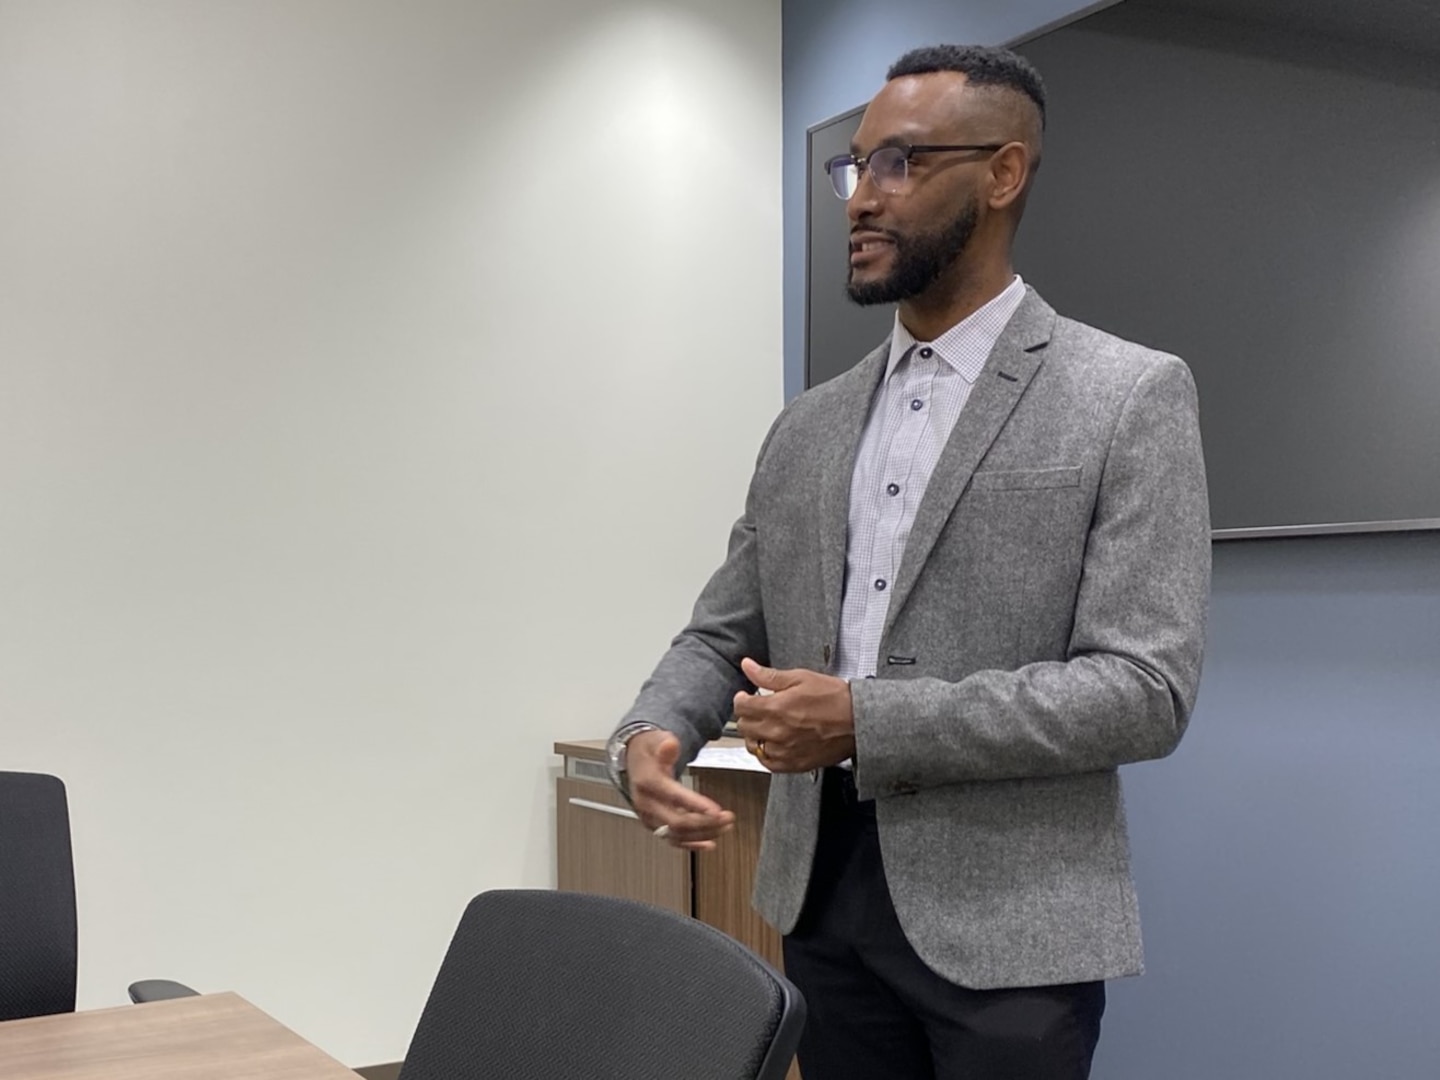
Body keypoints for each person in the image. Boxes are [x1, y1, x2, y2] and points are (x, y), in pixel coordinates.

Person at [606, 43, 1210, 1080]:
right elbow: (724, 628)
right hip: (819, 903)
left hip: (1012, 931)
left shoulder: (1128, 396)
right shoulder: (807, 427)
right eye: (854, 167)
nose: (860, 198)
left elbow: (1144, 692)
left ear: (1003, 174)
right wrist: (652, 732)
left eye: (901, 164)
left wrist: (866, 717)